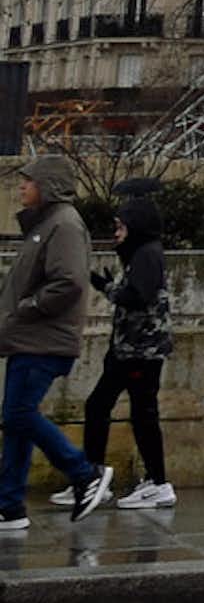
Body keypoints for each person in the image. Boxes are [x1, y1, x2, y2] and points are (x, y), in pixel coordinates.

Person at [1, 156, 111, 531]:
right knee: (16, 422)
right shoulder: (47, 223)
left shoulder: (63, 224)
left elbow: (69, 282)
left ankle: (84, 474)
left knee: (17, 415)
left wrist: (26, 308)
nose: (22, 187)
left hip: (43, 339)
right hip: (28, 338)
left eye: (28, 181)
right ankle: (10, 506)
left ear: (47, 185)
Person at [66, 196, 173, 512]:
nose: (117, 233)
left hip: (139, 351)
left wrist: (105, 287)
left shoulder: (147, 254)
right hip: (133, 349)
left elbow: (137, 297)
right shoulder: (142, 254)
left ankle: (111, 478)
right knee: (125, 410)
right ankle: (106, 477)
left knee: (122, 410)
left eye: (120, 227)